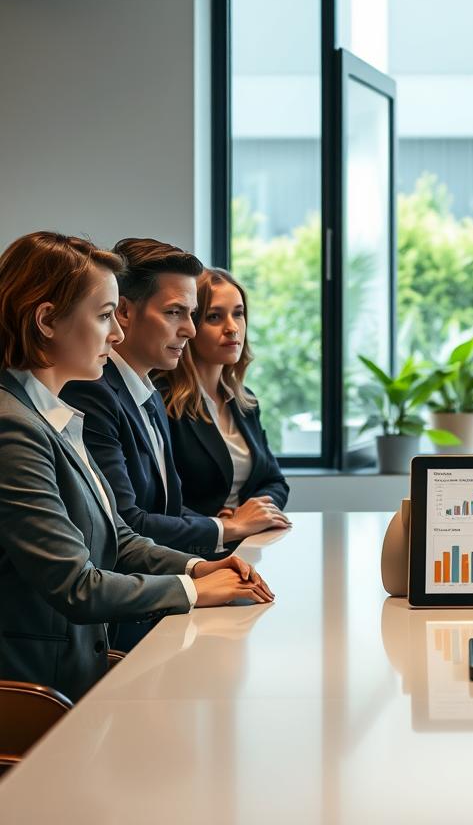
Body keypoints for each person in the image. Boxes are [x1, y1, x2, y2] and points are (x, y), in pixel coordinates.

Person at [0, 232, 273, 701]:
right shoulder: (14, 427)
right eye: (105, 316)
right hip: (37, 695)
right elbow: (76, 585)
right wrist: (192, 590)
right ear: (47, 320)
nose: (117, 334)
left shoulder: (53, 413)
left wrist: (197, 567)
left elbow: (118, 537)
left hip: (74, 674)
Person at [63, 238, 288, 563]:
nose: (190, 330)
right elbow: (126, 522)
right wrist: (226, 529)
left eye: (192, 314)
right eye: (174, 312)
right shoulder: (95, 392)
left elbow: (168, 507)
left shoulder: (148, 396)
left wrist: (221, 526)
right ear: (124, 311)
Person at [156, 268, 290, 518]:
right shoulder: (162, 400)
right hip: (195, 549)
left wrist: (253, 514)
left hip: (248, 539)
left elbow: (275, 481)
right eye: (215, 317)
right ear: (190, 325)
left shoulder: (244, 400)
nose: (232, 328)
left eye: (238, 314)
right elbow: (160, 501)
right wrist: (222, 526)